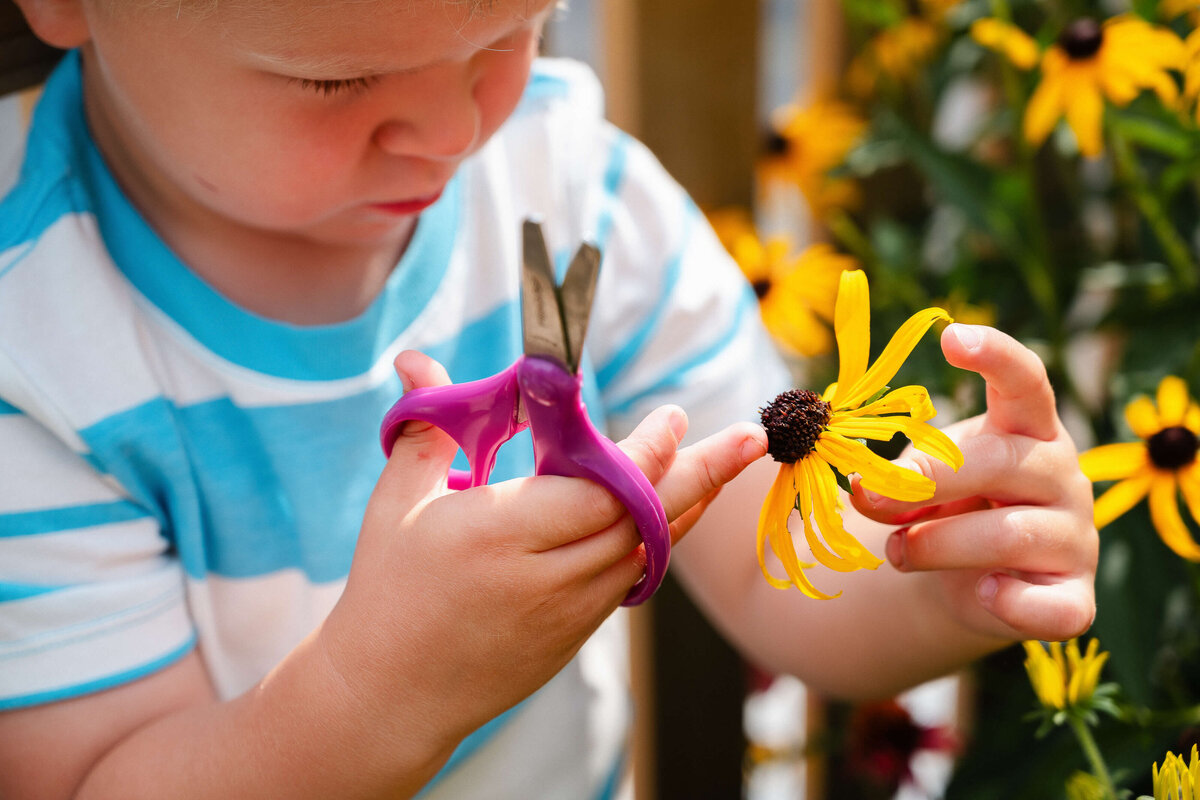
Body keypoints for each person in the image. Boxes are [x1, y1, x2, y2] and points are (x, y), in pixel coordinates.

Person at [0, 0, 1097, 797]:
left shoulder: (572, 190)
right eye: (331, 81)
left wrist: (949, 563)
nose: (451, 131)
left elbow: (783, 562)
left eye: (507, 33)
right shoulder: (30, 347)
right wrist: (378, 695)